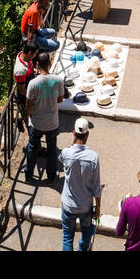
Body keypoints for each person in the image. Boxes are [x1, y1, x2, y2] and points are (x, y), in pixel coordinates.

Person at [59, 117, 101, 251]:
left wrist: (72, 142)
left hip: (68, 205)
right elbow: (96, 187)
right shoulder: (93, 157)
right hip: (85, 206)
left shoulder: (66, 153)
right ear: (87, 134)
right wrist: (98, 209)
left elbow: (61, 158)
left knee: (67, 238)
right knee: (86, 234)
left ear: (74, 133)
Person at [24, 52, 63, 186]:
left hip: (36, 122)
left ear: (37, 65)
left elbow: (28, 103)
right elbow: (60, 99)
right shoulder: (58, 80)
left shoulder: (33, 83)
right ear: (50, 64)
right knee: (52, 150)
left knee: (32, 148)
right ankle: (51, 177)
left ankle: (28, 175)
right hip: (52, 122)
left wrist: (31, 114)